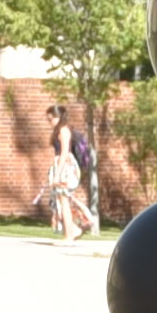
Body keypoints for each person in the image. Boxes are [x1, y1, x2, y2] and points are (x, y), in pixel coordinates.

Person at [41, 103, 94, 242]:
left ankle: (69, 235)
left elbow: (64, 152)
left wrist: (57, 174)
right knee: (61, 200)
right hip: (62, 167)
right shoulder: (60, 130)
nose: (50, 122)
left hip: (66, 168)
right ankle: (74, 229)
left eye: (51, 119)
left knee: (63, 199)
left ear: (58, 117)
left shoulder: (64, 130)